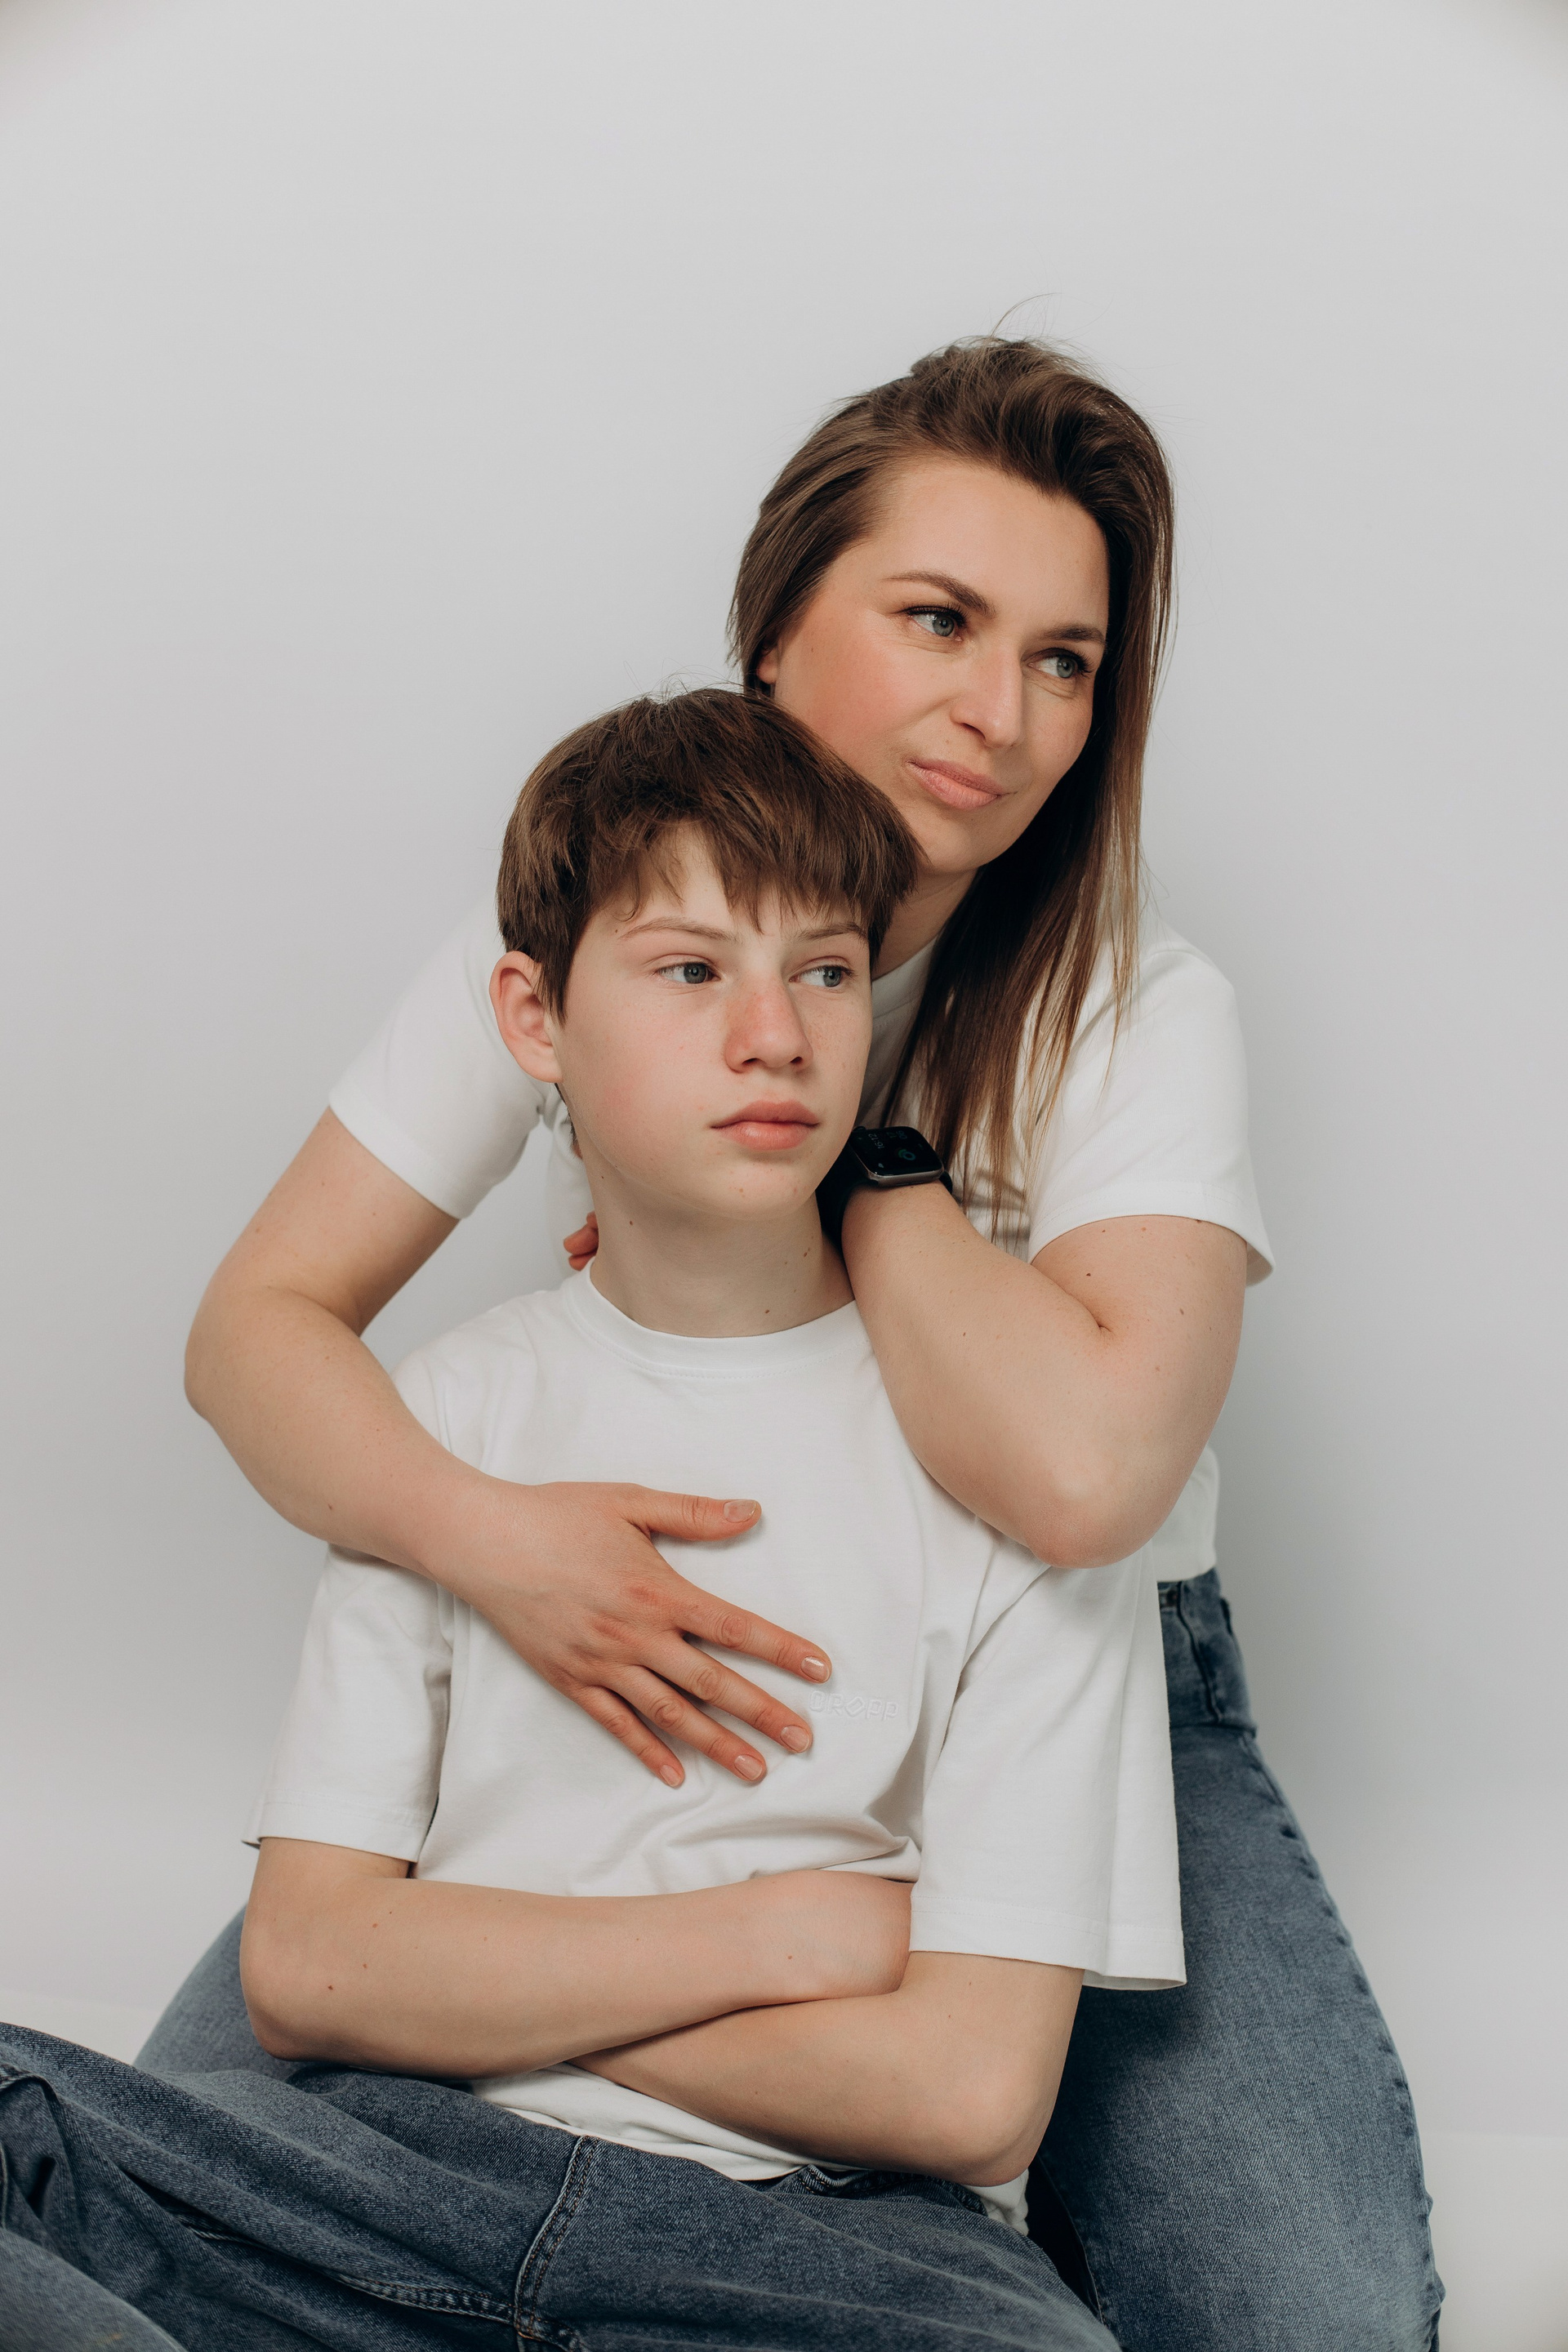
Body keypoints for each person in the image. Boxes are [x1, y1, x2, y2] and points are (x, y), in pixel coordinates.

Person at [150, 339, 1441, 2350]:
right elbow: (255, 1329)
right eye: (939, 619)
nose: (1001, 714)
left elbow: (1082, 1478)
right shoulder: (602, 911)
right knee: (164, 2186)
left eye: (1067, 660)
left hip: (1065, 1691)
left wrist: (848, 1168)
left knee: (1305, 2320)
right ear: (775, 636)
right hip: (623, 1643)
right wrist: (503, 1547)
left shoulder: (1134, 1005)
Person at [2, 689, 1183, 2350]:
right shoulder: (442, 1423)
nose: (774, 1036)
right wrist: (782, 1935)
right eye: (692, 969)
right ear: (533, 1017)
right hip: (392, 2179)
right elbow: (310, 1970)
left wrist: (468, 1992)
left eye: (825, 971)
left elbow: (967, 2093)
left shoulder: (1006, 1459)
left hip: (823, 2248)